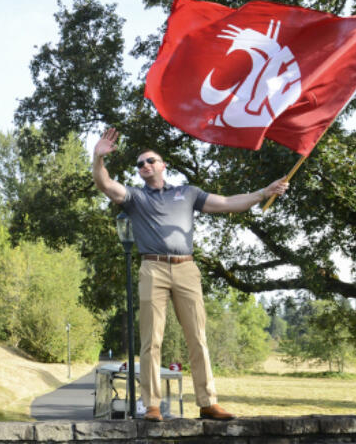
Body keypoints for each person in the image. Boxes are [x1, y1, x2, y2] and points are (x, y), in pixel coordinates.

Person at [92, 127, 288, 421]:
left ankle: (208, 403)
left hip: (186, 268)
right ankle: (153, 405)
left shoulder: (188, 193)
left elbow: (227, 203)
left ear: (163, 165)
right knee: (151, 340)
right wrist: (98, 158)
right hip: (153, 268)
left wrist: (264, 192)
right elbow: (105, 184)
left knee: (197, 337)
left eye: (150, 161)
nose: (145, 166)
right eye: (140, 164)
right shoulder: (134, 198)